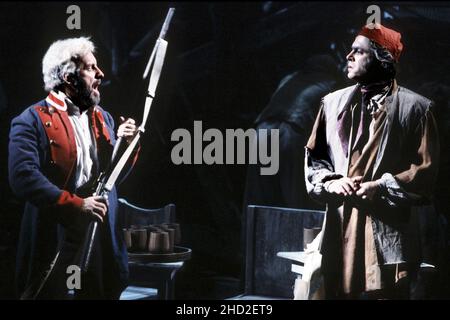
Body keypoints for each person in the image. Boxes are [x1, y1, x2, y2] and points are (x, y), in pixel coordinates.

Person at [304, 24, 440, 299]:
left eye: (358, 51)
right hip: (341, 224)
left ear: (382, 58)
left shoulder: (416, 108)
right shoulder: (331, 104)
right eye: (350, 50)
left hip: (386, 229)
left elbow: (426, 171)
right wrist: (332, 182)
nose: (348, 57)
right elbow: (315, 158)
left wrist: (380, 186)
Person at [8, 37, 139, 299]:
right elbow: (22, 177)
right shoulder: (30, 120)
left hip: (99, 237)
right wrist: (77, 205)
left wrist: (126, 146)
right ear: (68, 77)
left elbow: (112, 178)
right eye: (91, 68)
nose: (100, 74)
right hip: (56, 236)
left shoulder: (103, 117)